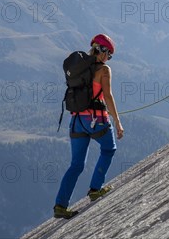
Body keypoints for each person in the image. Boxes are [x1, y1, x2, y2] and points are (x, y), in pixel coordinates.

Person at [53, 34, 125, 219]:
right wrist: (117, 121)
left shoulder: (79, 69)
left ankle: (60, 206)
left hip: (76, 121)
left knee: (76, 165)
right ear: (103, 51)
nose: (109, 58)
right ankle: (95, 189)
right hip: (96, 119)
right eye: (109, 54)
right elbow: (107, 96)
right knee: (109, 149)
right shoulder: (104, 70)